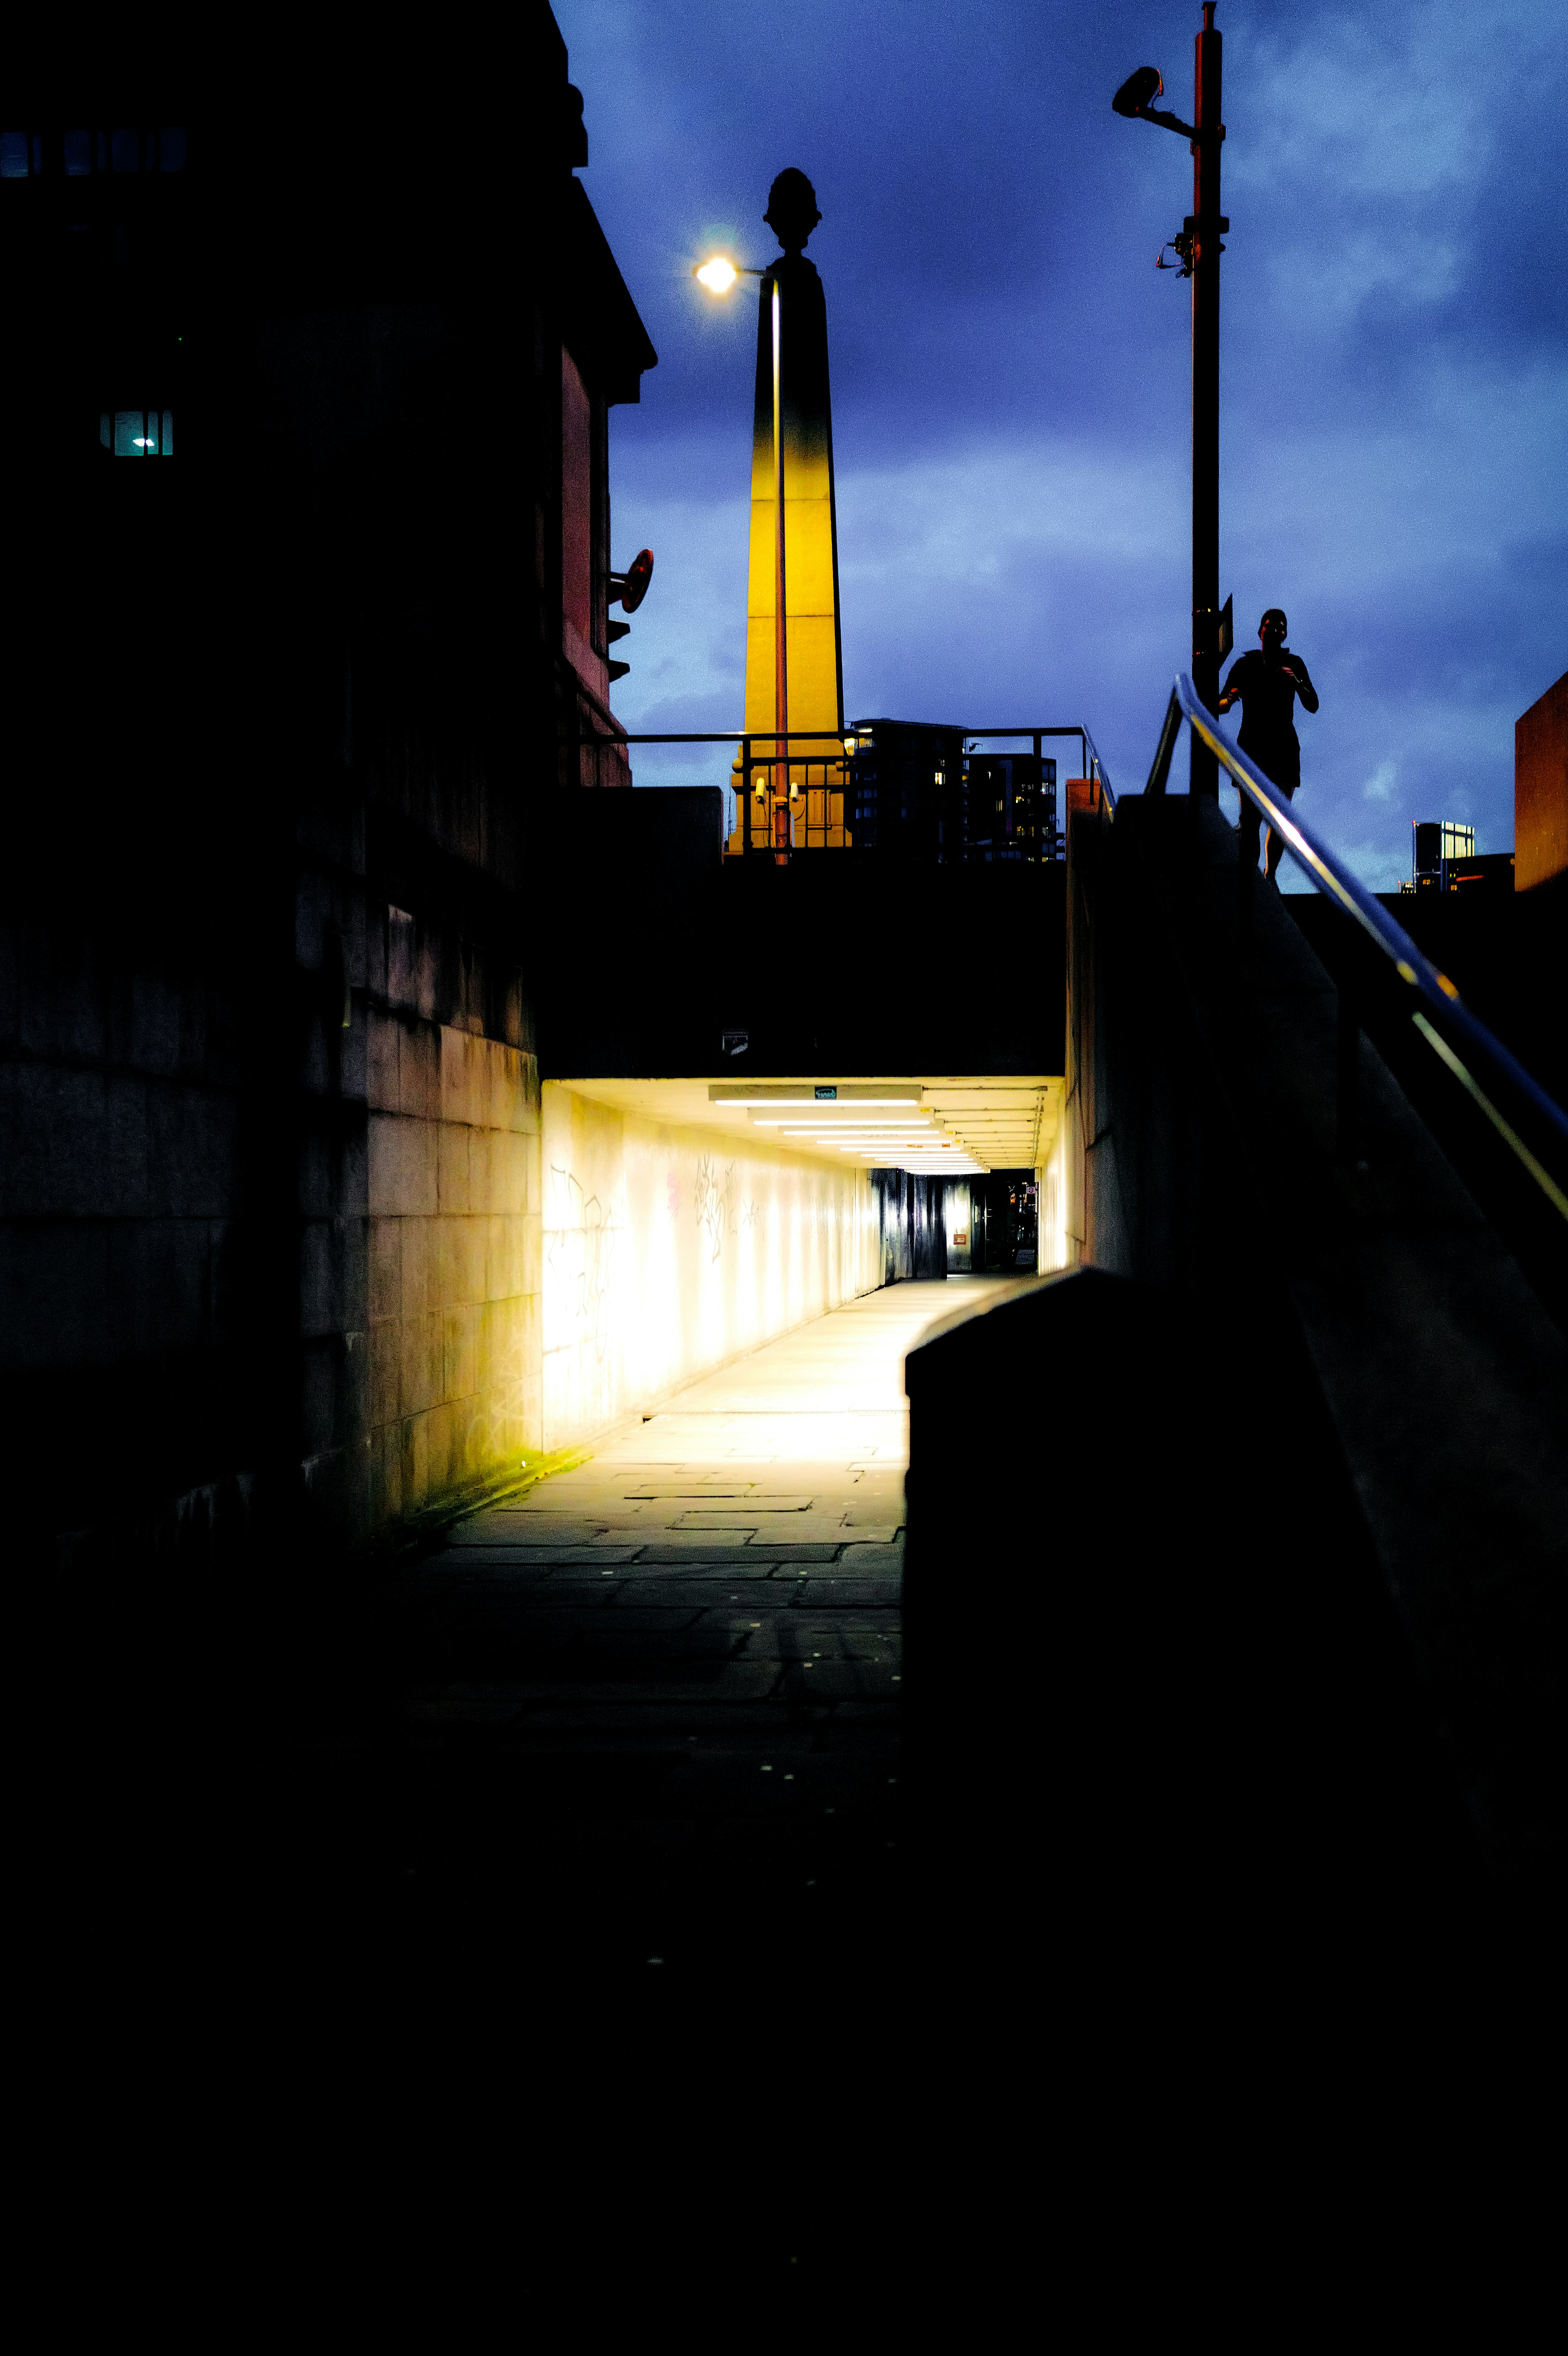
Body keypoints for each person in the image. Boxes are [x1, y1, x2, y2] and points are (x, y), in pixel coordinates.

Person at [1216, 608, 1319, 881]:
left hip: (1284, 750)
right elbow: (1218, 705)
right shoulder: (1245, 665)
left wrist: (1297, 683)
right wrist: (1230, 699)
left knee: (1280, 820)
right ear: (1260, 631)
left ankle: (1269, 876)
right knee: (1250, 822)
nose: (1275, 631)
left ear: (1285, 634)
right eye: (1271, 626)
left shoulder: (1294, 664)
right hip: (1251, 749)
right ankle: (1252, 883)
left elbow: (1313, 705)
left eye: (1281, 627)